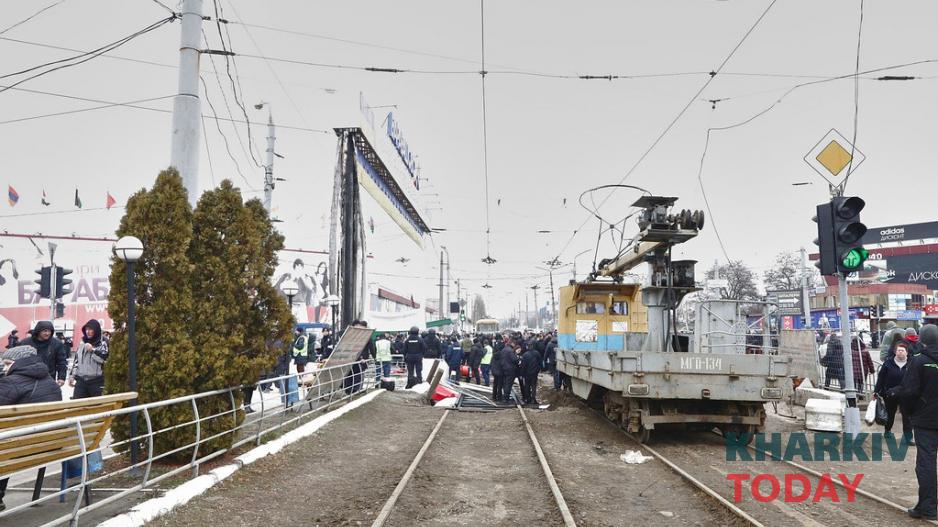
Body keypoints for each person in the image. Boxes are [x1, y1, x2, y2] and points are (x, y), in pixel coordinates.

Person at [0, 345, 63, 511]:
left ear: (20, 363)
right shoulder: (51, 382)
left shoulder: (10, 383)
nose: (4, 368)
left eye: (7, 364)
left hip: (18, 449)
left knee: (6, 445)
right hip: (47, 445)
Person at [891, 324, 938, 520]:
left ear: (922, 340)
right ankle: (925, 505)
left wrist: (910, 414)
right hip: (926, 418)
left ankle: (928, 507)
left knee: (926, 464)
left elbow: (909, 392)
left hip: (926, 421)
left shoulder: (919, 361)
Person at [874, 340, 912, 437]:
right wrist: (876, 391)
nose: (900, 352)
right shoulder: (888, 363)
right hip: (890, 393)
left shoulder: (911, 363)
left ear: (907, 352)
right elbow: (881, 377)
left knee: (907, 416)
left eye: (902, 350)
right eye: (898, 350)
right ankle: (887, 431)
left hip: (906, 394)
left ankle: (908, 436)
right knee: (890, 413)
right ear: (895, 352)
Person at [18, 320, 68, 386]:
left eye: (49, 331)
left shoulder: (56, 343)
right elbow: (18, 361)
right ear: (38, 331)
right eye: (45, 331)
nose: (47, 333)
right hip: (28, 378)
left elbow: (61, 361)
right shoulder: (25, 343)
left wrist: (61, 377)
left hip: (48, 377)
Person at [68, 319, 108, 399]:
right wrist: (72, 375)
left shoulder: (103, 342)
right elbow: (77, 360)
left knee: (97, 405)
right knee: (78, 405)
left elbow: (105, 359)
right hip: (81, 381)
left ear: (96, 330)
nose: (87, 332)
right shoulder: (83, 342)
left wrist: (92, 350)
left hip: (97, 381)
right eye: (86, 329)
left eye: (90, 329)